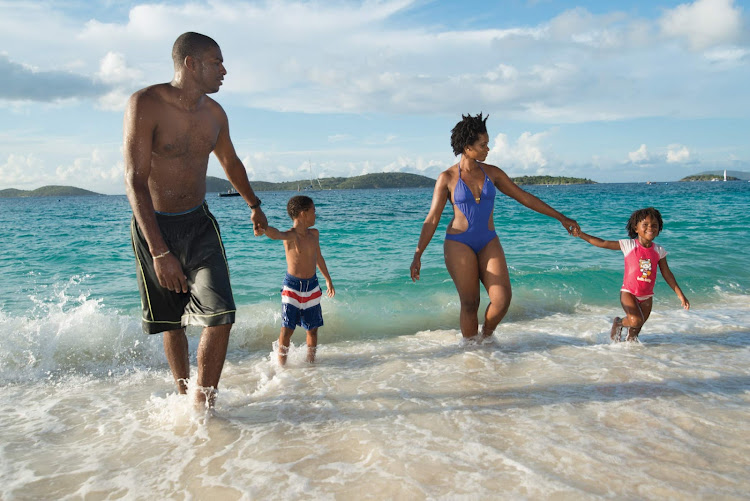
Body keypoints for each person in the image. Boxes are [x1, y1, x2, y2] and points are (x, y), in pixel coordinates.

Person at [123, 32, 267, 408]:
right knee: (172, 322)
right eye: (216, 61)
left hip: (199, 223)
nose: (224, 70)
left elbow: (230, 163)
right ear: (191, 63)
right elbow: (134, 180)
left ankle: (204, 406)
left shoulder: (215, 114)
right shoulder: (146, 104)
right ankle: (184, 393)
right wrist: (158, 251)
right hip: (154, 225)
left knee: (221, 315)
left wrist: (254, 204)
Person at [410, 113, 579, 340]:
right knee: (470, 303)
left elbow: (524, 197)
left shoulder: (493, 173)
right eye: (483, 145)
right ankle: (471, 352)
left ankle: (486, 339)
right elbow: (432, 218)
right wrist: (418, 253)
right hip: (459, 242)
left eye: (487, 144)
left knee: (502, 299)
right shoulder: (447, 178)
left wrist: (561, 217)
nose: (487, 149)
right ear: (467, 147)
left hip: (488, 240)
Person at [572, 207, 690, 342]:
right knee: (635, 321)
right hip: (628, 292)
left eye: (654, 225)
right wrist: (581, 234)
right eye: (645, 225)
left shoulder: (659, 250)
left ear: (659, 228)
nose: (650, 228)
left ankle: (630, 357)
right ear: (636, 228)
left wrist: (680, 295)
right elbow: (603, 243)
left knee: (634, 334)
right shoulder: (629, 245)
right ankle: (619, 323)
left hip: (647, 296)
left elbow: (667, 273)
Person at [263, 196, 335, 364]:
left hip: (312, 286)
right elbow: (275, 234)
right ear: (303, 214)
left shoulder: (314, 234)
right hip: (292, 287)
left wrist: (328, 279)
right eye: (313, 211)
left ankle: (311, 364)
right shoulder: (290, 236)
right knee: (287, 329)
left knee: (313, 329)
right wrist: (264, 228)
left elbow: (319, 258)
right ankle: (282, 366)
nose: (316, 215)